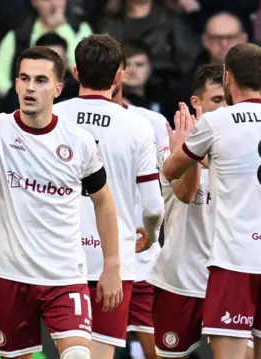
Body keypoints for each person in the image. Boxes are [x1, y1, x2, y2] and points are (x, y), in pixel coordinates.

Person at [0, 21, 123, 359]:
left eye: (40, 80)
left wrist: (112, 265)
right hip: (10, 276)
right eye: (24, 78)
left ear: (57, 88)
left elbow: (104, 203)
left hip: (64, 275)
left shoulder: (77, 141)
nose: (30, 87)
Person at [163, 43, 261, 359]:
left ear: (227, 78)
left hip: (235, 260)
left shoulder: (218, 122)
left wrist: (183, 146)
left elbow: (172, 170)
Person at [53, 34, 164, 359]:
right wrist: (151, 234)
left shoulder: (53, 117)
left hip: (59, 258)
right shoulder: (138, 125)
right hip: (113, 261)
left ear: (74, 73)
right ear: (119, 76)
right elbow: (154, 206)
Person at [148, 63, 232, 359]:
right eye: (217, 100)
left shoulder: (243, 151)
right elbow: (185, 193)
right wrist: (190, 151)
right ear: (195, 103)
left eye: (229, 100)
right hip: (178, 281)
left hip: (229, 281)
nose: (225, 109)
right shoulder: (168, 152)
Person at [111, 53, 170, 359]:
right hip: (90, 259)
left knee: (158, 352)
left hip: (143, 257)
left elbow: (169, 182)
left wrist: (154, 234)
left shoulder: (152, 122)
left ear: (121, 74)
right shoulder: (65, 120)